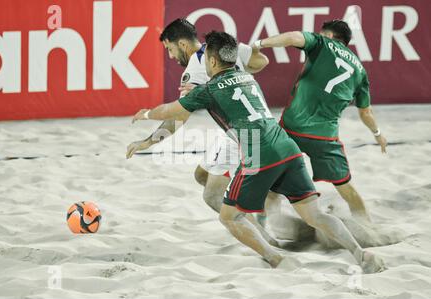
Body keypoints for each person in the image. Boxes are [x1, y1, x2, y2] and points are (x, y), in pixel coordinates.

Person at [132, 30, 386, 273]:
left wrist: (145, 114)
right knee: (314, 214)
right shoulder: (248, 78)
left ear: (211, 60)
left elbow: (169, 112)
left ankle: (277, 259)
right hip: (287, 146)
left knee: (229, 216)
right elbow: (257, 62)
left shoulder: (208, 89)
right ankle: (361, 253)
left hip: (257, 151)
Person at [126, 18, 277, 228]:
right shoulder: (225, 48)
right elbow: (262, 62)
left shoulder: (195, 69)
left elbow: (177, 118)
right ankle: (266, 203)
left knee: (213, 196)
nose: (170, 56)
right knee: (202, 174)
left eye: (170, 49)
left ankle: (261, 229)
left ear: (183, 45)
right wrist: (240, 72)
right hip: (254, 125)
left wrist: (147, 142)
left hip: (241, 134)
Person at [253, 20, 388, 223]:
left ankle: (264, 228)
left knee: (272, 181)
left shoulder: (322, 42)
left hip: (292, 128)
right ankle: (367, 228)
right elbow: (366, 112)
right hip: (325, 138)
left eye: (321, 33)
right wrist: (378, 134)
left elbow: (291, 37)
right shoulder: (360, 71)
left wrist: (259, 44)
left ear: (331, 36)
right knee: (345, 186)